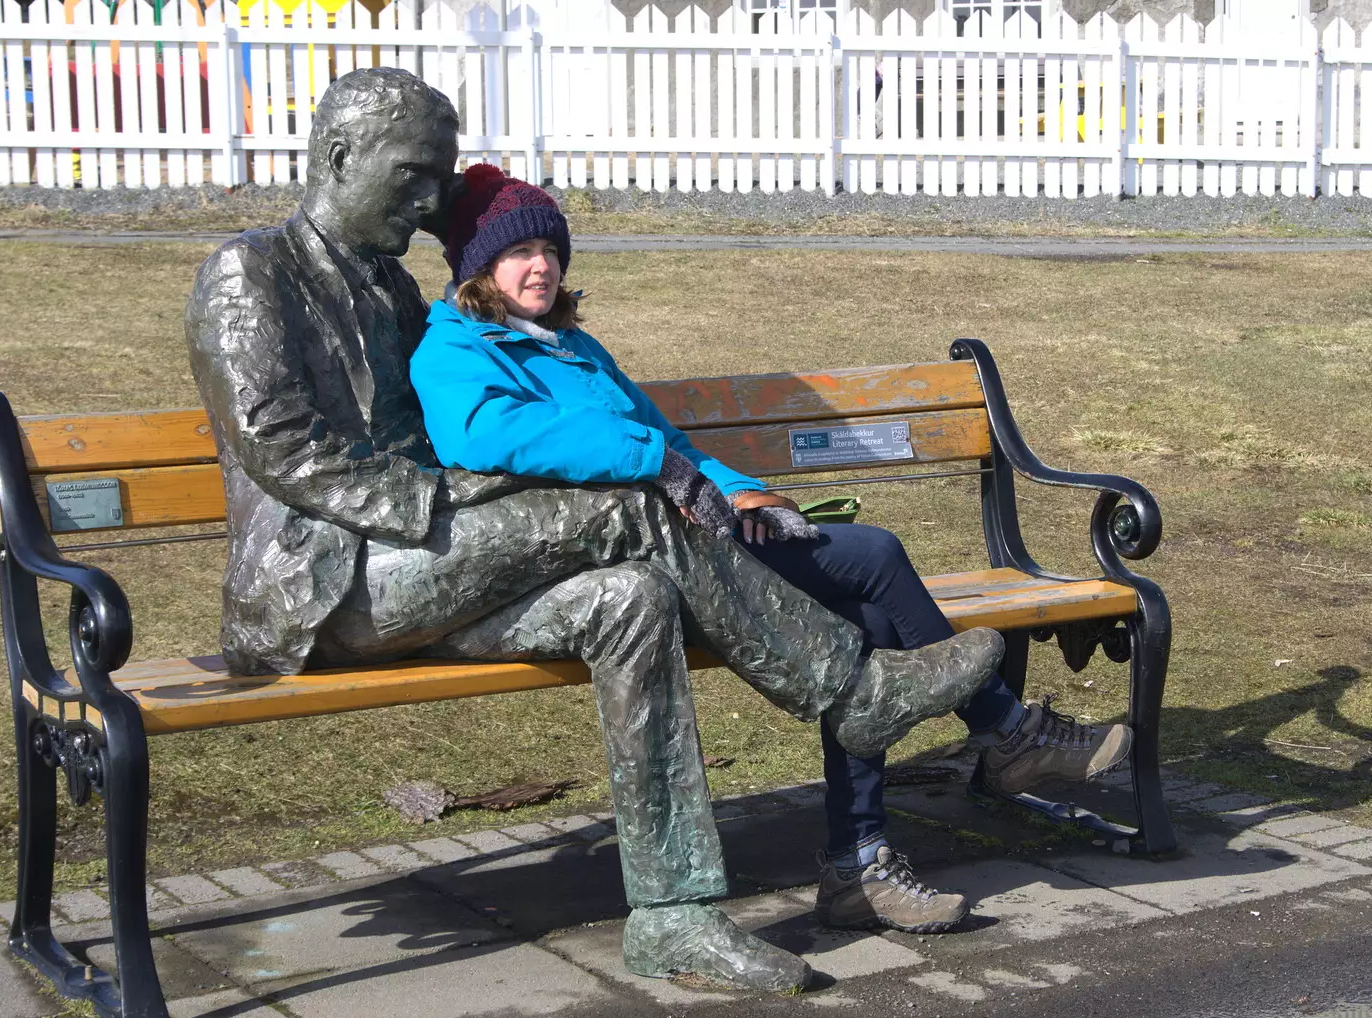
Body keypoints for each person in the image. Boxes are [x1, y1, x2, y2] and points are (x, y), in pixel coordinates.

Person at [185, 67, 1006, 994]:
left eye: (438, 181)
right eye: (414, 178)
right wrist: (448, 504)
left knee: (634, 598)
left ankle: (674, 918)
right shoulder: (248, 274)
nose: (428, 205)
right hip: (328, 586)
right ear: (337, 159)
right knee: (630, 503)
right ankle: (849, 685)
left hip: (428, 568)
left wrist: (476, 504)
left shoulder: (394, 292)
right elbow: (281, 447)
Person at [409, 163, 1137, 939]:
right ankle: (1005, 735)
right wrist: (654, 462)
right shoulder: (454, 348)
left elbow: (677, 444)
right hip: (624, 575)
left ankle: (862, 860)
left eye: (551, 248)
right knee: (877, 554)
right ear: (478, 267)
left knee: (866, 618)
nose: (541, 265)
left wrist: (749, 492)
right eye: (519, 251)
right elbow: (484, 434)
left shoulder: (576, 347)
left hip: (695, 532)